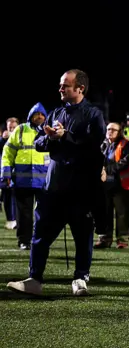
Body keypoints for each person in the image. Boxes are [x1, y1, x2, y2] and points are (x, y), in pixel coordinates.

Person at [7, 69, 106, 296]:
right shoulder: (55, 113)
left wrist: (66, 137)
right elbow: (40, 143)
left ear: (80, 88)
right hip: (53, 186)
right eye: (61, 85)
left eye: (66, 85)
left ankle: (80, 278)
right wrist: (50, 137)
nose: (61, 89)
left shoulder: (93, 114)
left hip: (81, 187)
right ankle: (35, 279)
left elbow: (94, 145)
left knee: (83, 235)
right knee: (40, 234)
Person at [1, 103, 48, 250]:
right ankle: (24, 241)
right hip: (22, 180)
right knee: (24, 214)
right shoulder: (20, 130)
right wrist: (6, 174)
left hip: (44, 180)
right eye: (36, 114)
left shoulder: (49, 130)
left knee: (44, 214)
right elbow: (7, 153)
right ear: (30, 116)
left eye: (42, 114)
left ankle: (42, 240)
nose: (39, 117)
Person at [95, 122, 129, 249]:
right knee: (105, 213)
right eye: (108, 129)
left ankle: (123, 240)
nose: (110, 131)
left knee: (123, 214)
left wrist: (107, 169)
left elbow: (125, 161)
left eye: (113, 130)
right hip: (105, 185)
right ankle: (104, 238)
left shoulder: (126, 144)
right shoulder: (103, 144)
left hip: (122, 185)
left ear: (119, 132)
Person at [1, 117, 19, 229]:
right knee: (7, 196)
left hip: (20, 172)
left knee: (18, 197)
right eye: (10, 127)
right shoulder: (4, 139)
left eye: (14, 127)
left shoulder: (21, 138)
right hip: (7, 171)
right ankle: (10, 219)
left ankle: (17, 219)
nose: (12, 129)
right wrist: (3, 140)